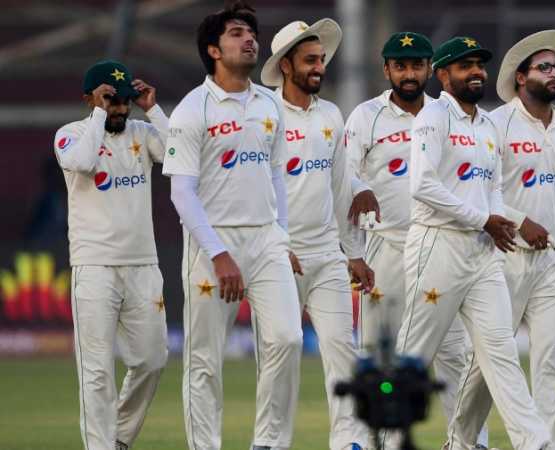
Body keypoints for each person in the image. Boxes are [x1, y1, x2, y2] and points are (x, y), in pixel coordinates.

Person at [394, 36, 551, 450]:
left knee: (499, 354)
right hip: (437, 247)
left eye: (479, 64)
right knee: (414, 357)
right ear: (443, 75)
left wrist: (499, 222)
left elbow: (493, 189)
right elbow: (423, 186)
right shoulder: (433, 116)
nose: (476, 72)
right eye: (465, 66)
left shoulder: (487, 125)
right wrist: (485, 219)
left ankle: (530, 443)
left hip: (481, 254)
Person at [162, 3, 303, 450]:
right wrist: (219, 253)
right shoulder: (192, 109)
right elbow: (181, 194)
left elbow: (277, 175)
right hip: (212, 243)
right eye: (238, 33)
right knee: (204, 360)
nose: (250, 40)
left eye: (252, 33)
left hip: (265, 239)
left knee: (288, 338)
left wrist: (281, 236)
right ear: (213, 50)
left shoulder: (269, 104)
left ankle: (269, 443)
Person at [344, 31, 489, 449]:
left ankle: (467, 441)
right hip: (386, 249)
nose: (410, 74)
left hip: (441, 248)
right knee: (379, 357)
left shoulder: (449, 114)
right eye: (401, 66)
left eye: (417, 65)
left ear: (431, 69)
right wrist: (358, 197)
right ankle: (374, 441)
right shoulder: (366, 116)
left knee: (455, 355)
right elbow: (345, 175)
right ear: (386, 69)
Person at [448, 30, 555, 450]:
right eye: (544, 67)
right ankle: (460, 441)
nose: (554, 73)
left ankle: (548, 446)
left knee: (553, 364)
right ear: (521, 77)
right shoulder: (494, 124)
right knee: (489, 362)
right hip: (502, 257)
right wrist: (519, 220)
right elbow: (473, 190)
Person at [259, 18, 374, 450]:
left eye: (321, 60)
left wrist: (354, 251)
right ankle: (269, 441)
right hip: (277, 255)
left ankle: (351, 442)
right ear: (285, 66)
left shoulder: (331, 114)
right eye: (309, 60)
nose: (319, 67)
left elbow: (341, 185)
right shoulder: (263, 113)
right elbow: (252, 189)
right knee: (280, 352)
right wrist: (274, 243)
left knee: (342, 350)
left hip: (327, 253)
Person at [54, 59, 169, 450]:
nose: (120, 108)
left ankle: (118, 437)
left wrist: (152, 107)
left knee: (152, 360)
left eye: (124, 100)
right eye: (110, 99)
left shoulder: (142, 130)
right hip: (94, 265)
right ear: (89, 98)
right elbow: (84, 163)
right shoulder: (70, 135)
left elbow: (181, 158)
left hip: (143, 265)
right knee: (97, 371)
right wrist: (99, 117)